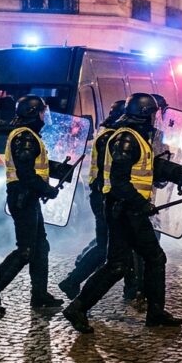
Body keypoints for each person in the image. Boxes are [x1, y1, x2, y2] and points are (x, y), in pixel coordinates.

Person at [62, 93, 182, 333]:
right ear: (144, 114)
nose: (155, 119)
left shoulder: (134, 136)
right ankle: (154, 313)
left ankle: (79, 307)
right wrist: (142, 203)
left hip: (125, 209)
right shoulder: (127, 139)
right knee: (153, 258)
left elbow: (140, 173)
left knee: (118, 265)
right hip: (127, 210)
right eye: (153, 114)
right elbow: (119, 181)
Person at [0, 95, 63, 314]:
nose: (45, 116)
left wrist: (57, 171)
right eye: (42, 112)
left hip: (28, 196)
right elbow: (25, 173)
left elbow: (34, 166)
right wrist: (47, 190)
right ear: (34, 113)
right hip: (23, 197)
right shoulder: (25, 137)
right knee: (26, 250)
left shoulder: (28, 135)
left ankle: (39, 295)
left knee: (40, 247)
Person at [58, 99, 126, 300]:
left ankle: (73, 281)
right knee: (105, 246)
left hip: (103, 195)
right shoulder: (110, 138)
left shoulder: (107, 134)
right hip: (104, 197)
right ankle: (73, 283)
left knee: (105, 244)